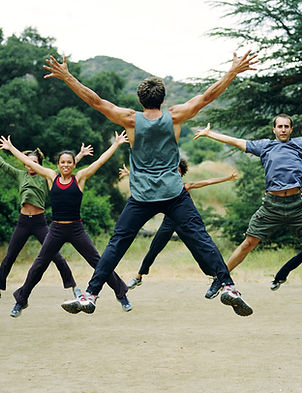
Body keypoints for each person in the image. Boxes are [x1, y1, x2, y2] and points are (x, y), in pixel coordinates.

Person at [43, 50, 258, 317]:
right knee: (201, 237)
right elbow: (208, 96)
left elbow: (95, 101)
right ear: (163, 99)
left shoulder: (130, 119)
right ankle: (228, 286)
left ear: (140, 100)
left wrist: (68, 77)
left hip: (142, 196)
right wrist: (232, 72)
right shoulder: (176, 116)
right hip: (173, 193)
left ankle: (91, 295)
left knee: (117, 244)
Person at [193, 116, 302, 294]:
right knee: (249, 242)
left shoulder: (301, 144)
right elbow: (237, 142)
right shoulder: (265, 146)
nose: (283, 129)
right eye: (280, 126)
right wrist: (210, 134)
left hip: (296, 204)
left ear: (291, 130)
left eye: (286, 127)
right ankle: (220, 279)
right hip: (271, 205)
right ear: (274, 130)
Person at [0, 132, 131, 317]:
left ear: (74, 164)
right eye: (63, 162)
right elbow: (29, 162)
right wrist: (11, 148)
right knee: (39, 264)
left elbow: (100, 162)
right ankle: (21, 301)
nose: (66, 165)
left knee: (99, 262)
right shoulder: (51, 176)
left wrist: (116, 144)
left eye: (69, 162)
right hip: (56, 229)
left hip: (76, 229)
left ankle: (121, 294)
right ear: (58, 164)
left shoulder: (80, 178)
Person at [121, 161, 239, 300]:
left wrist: (227, 178)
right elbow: (148, 179)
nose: (175, 173)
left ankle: (215, 277)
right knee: (154, 249)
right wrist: (130, 173)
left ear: (181, 174)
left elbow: (207, 181)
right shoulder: (165, 187)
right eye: (172, 171)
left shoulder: (185, 186)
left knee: (198, 252)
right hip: (168, 223)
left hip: (184, 224)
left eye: (178, 171)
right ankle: (139, 276)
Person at [0, 143, 93, 300]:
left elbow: (66, 166)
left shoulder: (46, 176)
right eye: (29, 163)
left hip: (39, 222)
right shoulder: (19, 175)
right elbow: (3, 165)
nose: (31, 166)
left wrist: (81, 155)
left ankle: (73, 286)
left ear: (39, 165)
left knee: (56, 256)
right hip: (23, 221)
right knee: (10, 256)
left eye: (35, 163)